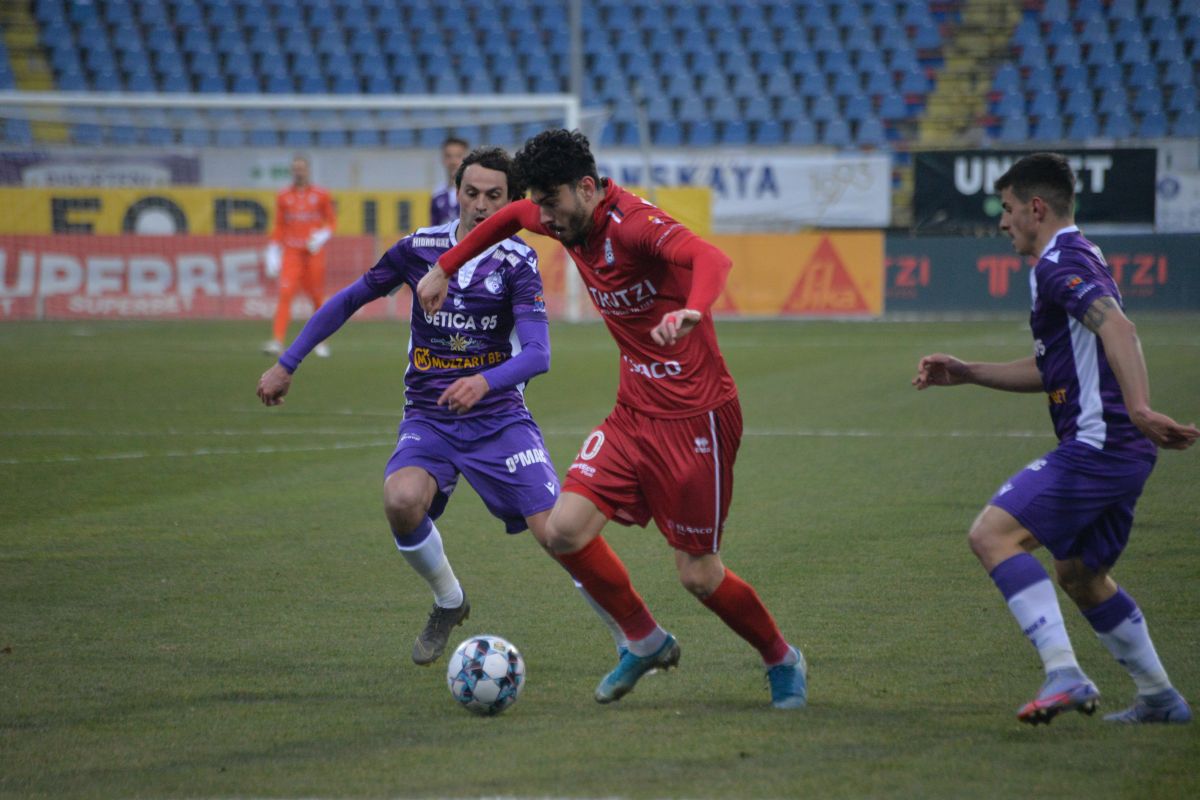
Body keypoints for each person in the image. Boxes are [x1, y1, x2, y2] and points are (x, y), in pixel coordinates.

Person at [417, 129, 807, 709]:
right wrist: (445, 266)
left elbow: (710, 256)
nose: (545, 216)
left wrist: (693, 310)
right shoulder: (558, 213)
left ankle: (781, 657)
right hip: (633, 413)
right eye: (540, 203)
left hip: (696, 417)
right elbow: (507, 219)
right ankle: (645, 640)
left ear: (588, 187)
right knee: (564, 531)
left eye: (553, 202)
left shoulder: (634, 225)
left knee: (698, 575)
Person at [257, 146, 628, 666]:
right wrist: (289, 362)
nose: (480, 205)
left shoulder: (517, 262)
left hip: (499, 420)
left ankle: (629, 637)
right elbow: (351, 297)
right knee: (401, 500)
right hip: (429, 417)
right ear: (456, 193)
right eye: (471, 193)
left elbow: (540, 355)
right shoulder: (418, 249)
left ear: (512, 201)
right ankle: (449, 601)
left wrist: (485, 382)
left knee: (559, 535)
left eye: (493, 196)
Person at [912, 152, 1197, 725]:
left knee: (992, 535)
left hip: (1101, 443)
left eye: (1009, 208)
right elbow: (1056, 369)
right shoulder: (1080, 254)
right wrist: (969, 371)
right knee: (1080, 575)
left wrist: (1139, 407)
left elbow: (1117, 325)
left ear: (1035, 207)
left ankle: (1065, 672)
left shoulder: (1055, 264)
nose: (1002, 222)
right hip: (1121, 448)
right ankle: (1161, 698)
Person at [263, 154, 337, 358]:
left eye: (302, 168)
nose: (298, 171)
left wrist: (322, 236)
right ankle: (277, 341)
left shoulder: (321, 195)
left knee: (316, 298)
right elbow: (279, 225)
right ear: (292, 171)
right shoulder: (283, 196)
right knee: (285, 294)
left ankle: (321, 341)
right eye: (295, 168)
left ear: (308, 170)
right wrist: (272, 250)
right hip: (291, 253)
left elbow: (331, 222)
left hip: (313, 253)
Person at [429, 136, 469, 227]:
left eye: (458, 156)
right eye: (448, 156)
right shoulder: (436, 194)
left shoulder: (475, 193)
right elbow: (433, 229)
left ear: (467, 159)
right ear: (443, 159)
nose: (453, 161)